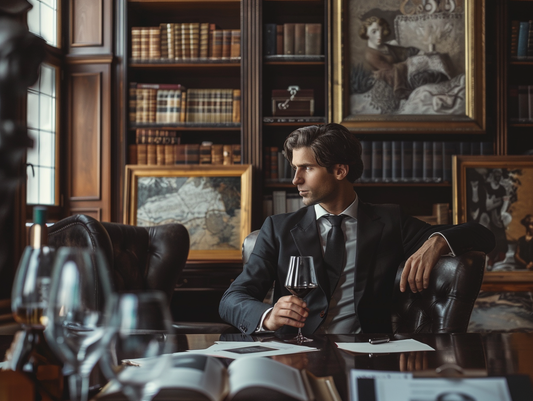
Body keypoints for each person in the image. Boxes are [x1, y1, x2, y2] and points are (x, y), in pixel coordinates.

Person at [219, 124, 495, 335]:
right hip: (294, 354)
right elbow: (232, 299)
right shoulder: (278, 229)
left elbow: (483, 234)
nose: (295, 179)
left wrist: (436, 242)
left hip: (368, 354)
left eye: (306, 168)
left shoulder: (389, 221)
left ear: (339, 171)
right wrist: (268, 315)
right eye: (294, 168)